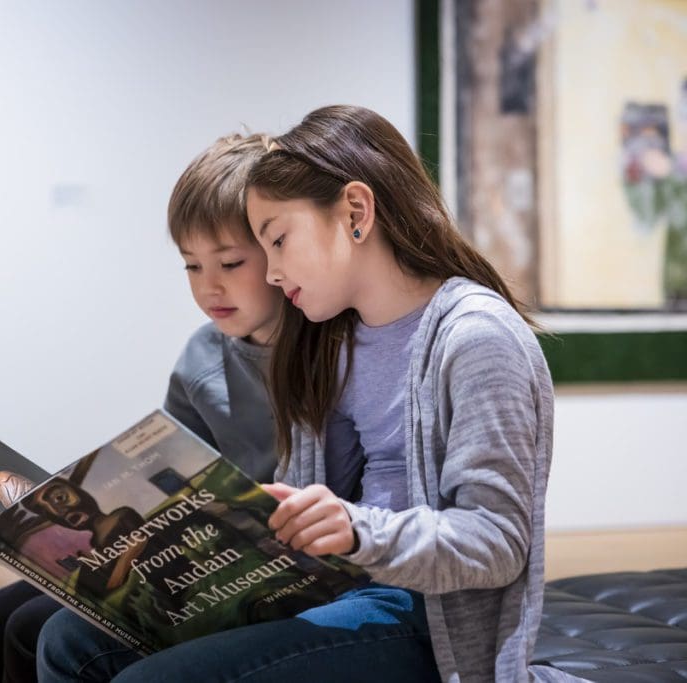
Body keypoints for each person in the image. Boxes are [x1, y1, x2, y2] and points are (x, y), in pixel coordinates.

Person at [36, 104, 556, 683]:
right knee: (67, 643)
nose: (274, 273)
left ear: (355, 212)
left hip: (425, 617)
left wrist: (358, 529)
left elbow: (500, 542)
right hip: (334, 584)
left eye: (278, 241)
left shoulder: (476, 338)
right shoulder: (337, 338)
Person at [0, 132, 283, 683]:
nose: (209, 286)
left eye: (230, 263)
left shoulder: (319, 353)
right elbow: (168, 471)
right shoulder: (201, 355)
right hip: (181, 548)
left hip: (253, 558)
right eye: (191, 267)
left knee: (36, 631)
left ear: (280, 253)